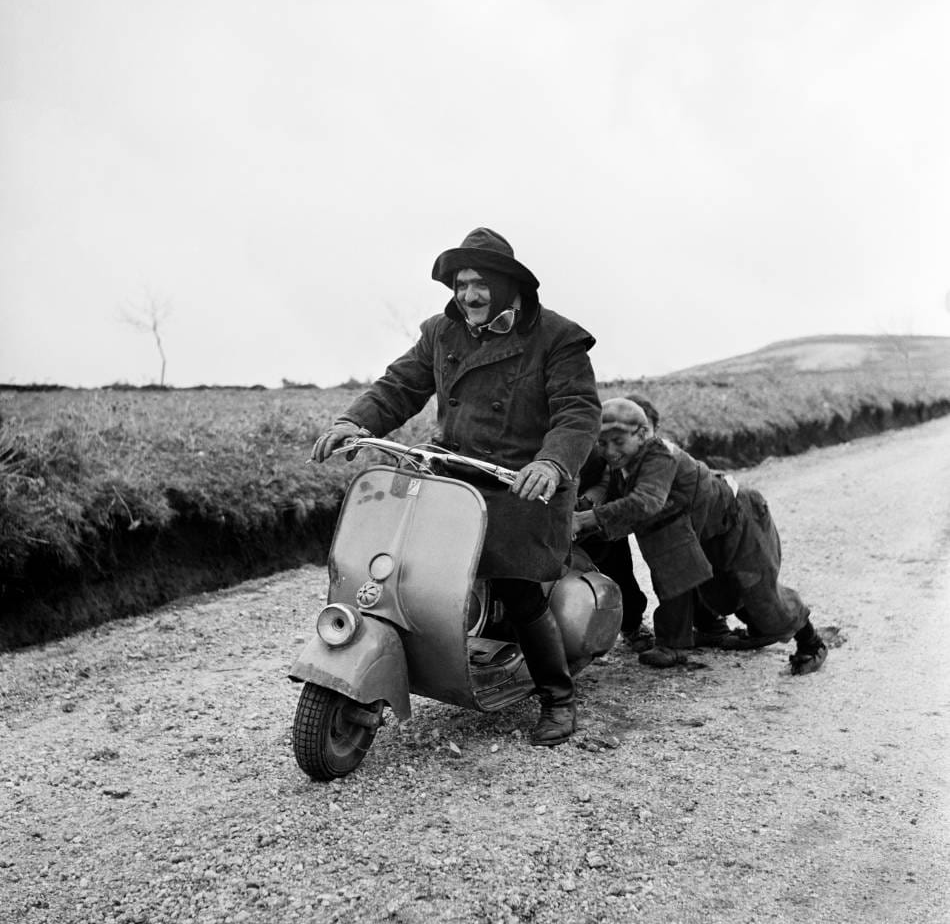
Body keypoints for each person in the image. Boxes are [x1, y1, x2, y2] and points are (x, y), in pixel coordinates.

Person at [311, 227, 602, 745]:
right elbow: (400, 386)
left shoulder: (557, 338)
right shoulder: (440, 333)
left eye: (480, 282)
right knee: (408, 566)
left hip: (521, 483)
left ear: (510, 284)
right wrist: (355, 422)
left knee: (517, 586)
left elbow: (577, 412)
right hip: (452, 477)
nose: (468, 294)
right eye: (460, 283)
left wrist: (552, 464)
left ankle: (557, 697)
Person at [572, 397, 828, 674]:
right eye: (602, 443)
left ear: (642, 434)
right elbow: (621, 509)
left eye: (618, 441)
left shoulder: (660, 456)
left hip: (740, 518)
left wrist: (585, 519)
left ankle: (811, 643)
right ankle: (688, 639)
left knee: (757, 589)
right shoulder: (623, 464)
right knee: (685, 579)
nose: (609, 451)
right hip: (697, 528)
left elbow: (645, 502)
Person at [574, 394, 659, 652]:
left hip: (601, 525)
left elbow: (609, 481)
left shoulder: (615, 452)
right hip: (562, 517)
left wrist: (587, 508)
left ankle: (632, 625)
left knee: (620, 573)